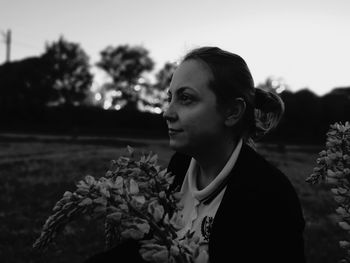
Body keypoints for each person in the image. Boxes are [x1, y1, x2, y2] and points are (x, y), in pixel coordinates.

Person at [85, 46, 306, 263]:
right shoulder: (179, 166)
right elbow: (152, 243)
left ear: (232, 112)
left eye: (186, 98)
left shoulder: (271, 196)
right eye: (170, 97)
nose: (168, 113)